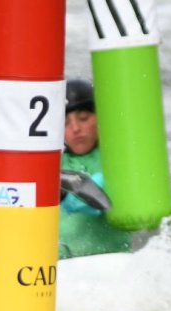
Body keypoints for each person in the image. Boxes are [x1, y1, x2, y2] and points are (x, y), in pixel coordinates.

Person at [58, 78, 133, 259]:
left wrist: (63, 194)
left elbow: (100, 197)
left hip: (113, 263)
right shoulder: (54, 163)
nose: (75, 128)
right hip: (63, 267)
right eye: (66, 123)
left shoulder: (117, 158)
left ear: (100, 117)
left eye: (83, 118)